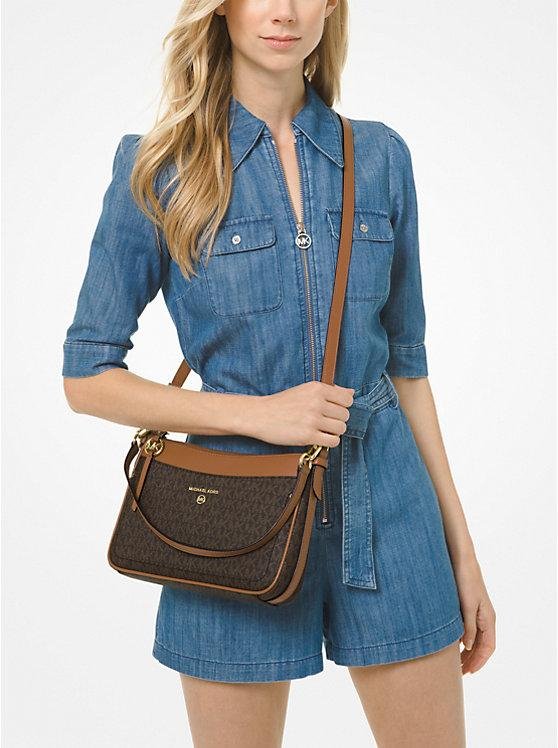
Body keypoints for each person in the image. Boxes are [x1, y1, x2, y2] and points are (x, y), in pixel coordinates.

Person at [62, 1, 496, 745]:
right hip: (227, 516)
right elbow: (86, 375)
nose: (284, 11)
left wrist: (463, 552)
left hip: (388, 506)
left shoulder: (379, 155)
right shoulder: (158, 167)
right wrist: (255, 415)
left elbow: (408, 366)